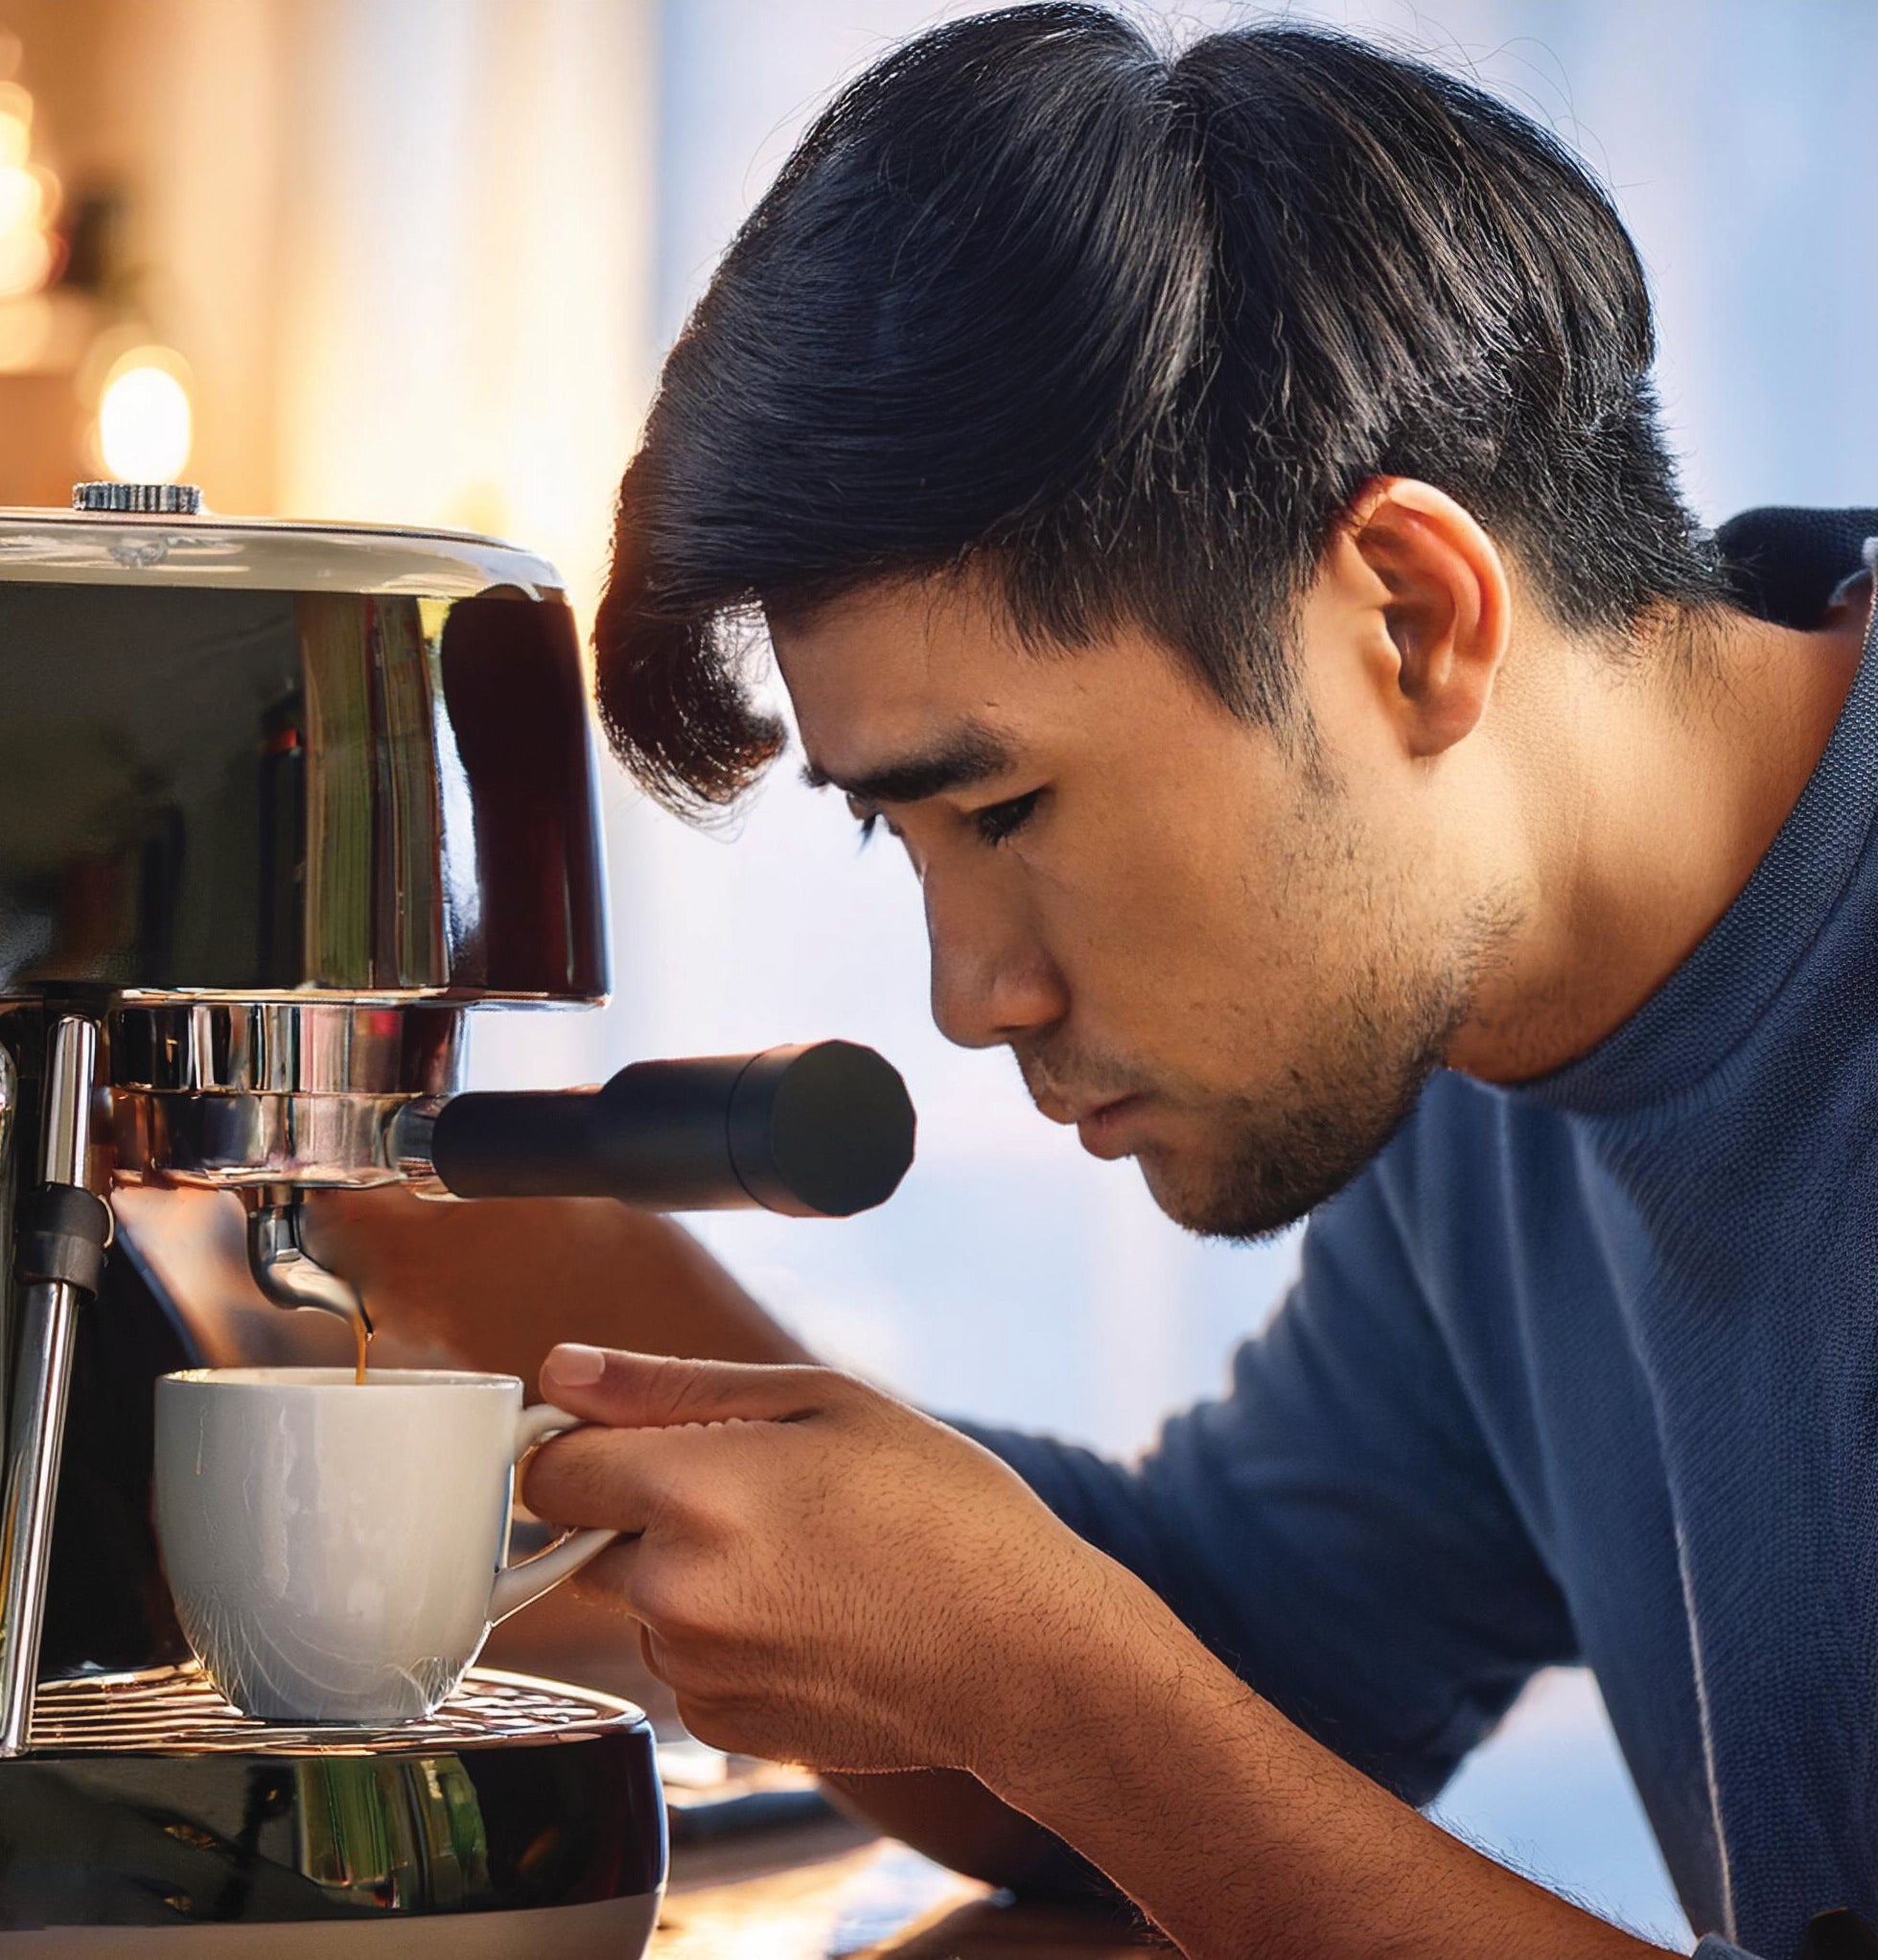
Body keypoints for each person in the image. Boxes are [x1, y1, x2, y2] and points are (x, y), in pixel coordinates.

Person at [317, 9, 1877, 1956]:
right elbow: (1236, 1655)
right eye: (904, 836)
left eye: (1005, 801)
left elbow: (1119, 1705)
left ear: (1406, 617)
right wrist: (484, 1263)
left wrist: (1067, 1686)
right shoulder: (1481, 1028)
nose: (969, 998)